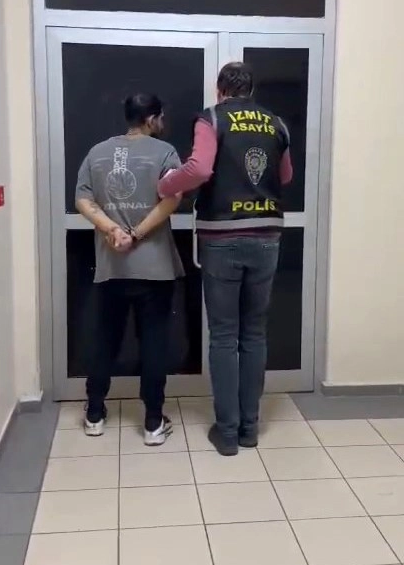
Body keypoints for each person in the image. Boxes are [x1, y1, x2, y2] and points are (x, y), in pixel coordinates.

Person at [158, 62, 293, 456]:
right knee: (254, 333)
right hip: (267, 236)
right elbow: (284, 176)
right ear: (250, 90)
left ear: (220, 90)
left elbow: (199, 168)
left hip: (223, 237)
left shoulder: (212, 118)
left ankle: (228, 432)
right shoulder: (277, 124)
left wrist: (166, 184)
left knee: (223, 335)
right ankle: (250, 428)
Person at [76, 93, 184, 445]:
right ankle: (152, 423)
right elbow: (172, 198)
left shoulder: (97, 153)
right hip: (155, 269)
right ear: (151, 119)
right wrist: (135, 234)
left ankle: (94, 414)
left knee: (105, 339)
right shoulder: (165, 152)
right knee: (153, 343)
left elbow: (82, 198)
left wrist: (112, 230)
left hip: (112, 266)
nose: (162, 123)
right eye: (160, 117)